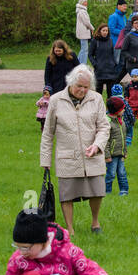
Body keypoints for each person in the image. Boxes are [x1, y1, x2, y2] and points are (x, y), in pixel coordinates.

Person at [39, 65, 110, 236]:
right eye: (79, 86)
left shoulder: (97, 99)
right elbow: (48, 133)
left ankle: (95, 222)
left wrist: (97, 145)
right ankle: (69, 229)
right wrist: (45, 160)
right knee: (67, 194)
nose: (83, 90)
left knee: (97, 190)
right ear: (71, 83)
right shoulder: (56, 100)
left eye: (86, 87)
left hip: (92, 155)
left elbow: (104, 127)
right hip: (67, 157)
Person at [104, 95, 129, 197]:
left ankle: (124, 190)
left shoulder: (121, 121)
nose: (124, 110)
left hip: (120, 153)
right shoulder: (108, 123)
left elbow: (124, 138)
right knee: (111, 174)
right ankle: (106, 191)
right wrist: (107, 156)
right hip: (112, 155)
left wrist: (125, 152)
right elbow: (105, 141)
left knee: (122, 173)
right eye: (122, 109)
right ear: (116, 110)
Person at [89, 24, 120, 100]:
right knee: (98, 93)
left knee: (111, 94)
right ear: (100, 31)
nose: (105, 32)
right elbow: (90, 55)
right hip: (100, 70)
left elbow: (112, 53)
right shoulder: (95, 41)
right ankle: (98, 109)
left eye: (106, 31)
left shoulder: (110, 40)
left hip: (110, 70)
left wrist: (114, 63)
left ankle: (109, 109)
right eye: (103, 30)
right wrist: (95, 64)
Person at [75, 0, 94, 67]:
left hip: (83, 32)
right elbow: (86, 22)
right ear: (82, 3)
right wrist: (92, 28)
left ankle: (77, 62)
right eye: (85, 2)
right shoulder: (82, 11)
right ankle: (83, 64)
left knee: (83, 48)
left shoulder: (81, 10)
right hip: (83, 32)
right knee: (85, 49)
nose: (86, 3)